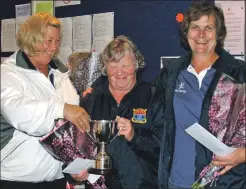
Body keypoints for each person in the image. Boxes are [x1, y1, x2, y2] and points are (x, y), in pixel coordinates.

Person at [120, 1, 246, 189]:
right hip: (176, 182)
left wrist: (242, 155)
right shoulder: (171, 73)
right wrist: (103, 88)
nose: (201, 35)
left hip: (224, 183)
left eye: (208, 28)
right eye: (195, 27)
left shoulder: (238, 74)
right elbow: (154, 117)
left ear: (219, 33)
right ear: (186, 32)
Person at [0, 13, 90, 189]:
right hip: (16, 180)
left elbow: (69, 132)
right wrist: (62, 109)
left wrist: (75, 169)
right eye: (48, 41)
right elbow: (21, 114)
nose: (53, 47)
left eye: (57, 41)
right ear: (31, 39)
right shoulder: (8, 73)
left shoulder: (60, 75)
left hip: (56, 178)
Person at [74, 35, 159, 189]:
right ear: (105, 68)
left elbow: (164, 147)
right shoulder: (90, 99)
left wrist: (135, 135)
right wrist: (74, 172)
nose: (120, 72)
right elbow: (76, 145)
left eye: (126, 65)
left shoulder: (153, 96)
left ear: (137, 65)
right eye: (113, 65)